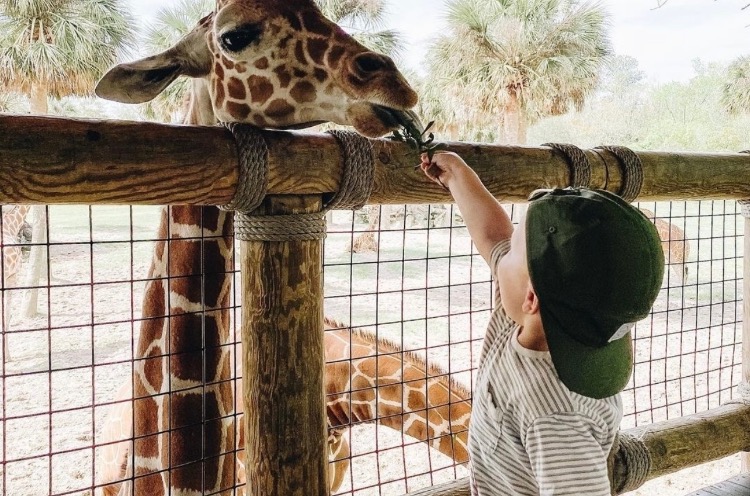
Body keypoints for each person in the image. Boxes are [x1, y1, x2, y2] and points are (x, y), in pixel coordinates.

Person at [419, 151, 665, 496]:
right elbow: (494, 238)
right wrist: (458, 175)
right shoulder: (546, 319)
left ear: (531, 298)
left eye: (516, 248)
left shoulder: (558, 417)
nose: (502, 254)